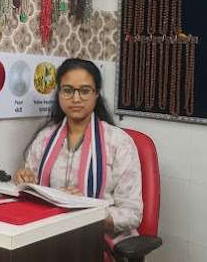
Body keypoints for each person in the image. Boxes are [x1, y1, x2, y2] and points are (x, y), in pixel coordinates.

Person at [14, 58, 143, 246]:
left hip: (103, 242)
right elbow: (32, 194)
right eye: (68, 90)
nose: (76, 99)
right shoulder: (44, 139)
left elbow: (133, 213)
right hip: (52, 236)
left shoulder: (119, 143)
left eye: (84, 90)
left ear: (96, 94)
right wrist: (24, 182)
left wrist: (86, 212)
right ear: (59, 93)